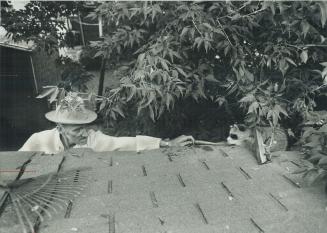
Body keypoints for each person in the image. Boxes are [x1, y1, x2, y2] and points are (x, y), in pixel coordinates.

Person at [19, 96, 194, 154]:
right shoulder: (38, 140)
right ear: (60, 128)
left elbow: (125, 143)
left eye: (86, 127)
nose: (85, 133)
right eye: (77, 129)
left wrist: (165, 143)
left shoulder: (93, 139)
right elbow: (14, 168)